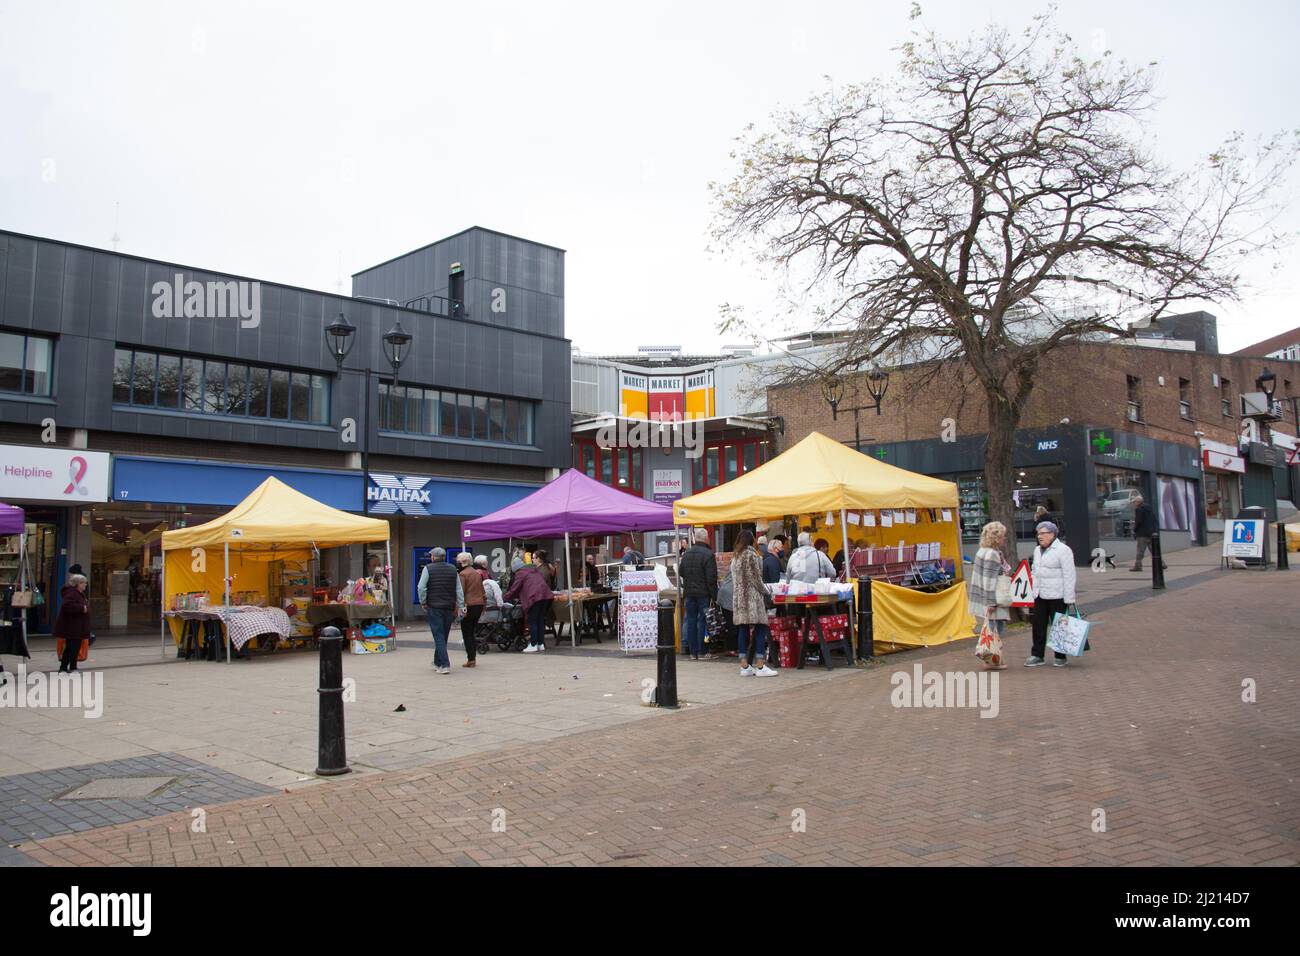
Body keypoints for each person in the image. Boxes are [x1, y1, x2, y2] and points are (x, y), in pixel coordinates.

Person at [1027, 522, 1076, 668]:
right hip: (1040, 594)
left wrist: (1069, 597)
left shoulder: (1063, 550)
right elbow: (1035, 571)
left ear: (1052, 534)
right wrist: (1033, 590)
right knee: (1038, 625)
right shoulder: (1037, 550)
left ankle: (1060, 656)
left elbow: (1069, 575)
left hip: (1057, 595)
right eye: (1038, 533)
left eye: (1042, 533)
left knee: (1059, 625)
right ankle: (1037, 655)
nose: (1039, 536)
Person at [730, 531, 777, 677]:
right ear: (751, 540)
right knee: (761, 628)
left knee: (743, 629)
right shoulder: (752, 555)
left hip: (739, 598)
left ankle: (744, 666)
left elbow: (735, 578)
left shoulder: (735, 556)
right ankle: (760, 665)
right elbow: (756, 579)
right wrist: (767, 591)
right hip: (752, 598)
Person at [969, 522, 1011, 671]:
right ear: (997, 538)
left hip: (983, 596)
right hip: (995, 597)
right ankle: (992, 659)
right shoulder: (993, 554)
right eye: (1003, 536)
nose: (1005, 538)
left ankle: (993, 659)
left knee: (992, 629)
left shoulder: (982, 551)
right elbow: (989, 580)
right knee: (995, 630)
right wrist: (991, 602)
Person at [418, 549, 463, 675]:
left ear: (433, 557)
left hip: (434, 606)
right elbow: (458, 589)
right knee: (443, 635)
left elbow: (421, 587)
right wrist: (460, 604)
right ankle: (437, 661)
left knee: (438, 635)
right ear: (443, 557)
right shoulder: (453, 569)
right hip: (449, 606)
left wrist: (423, 601)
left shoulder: (428, 568)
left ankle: (445, 664)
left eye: (431, 555)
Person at [678, 528, 718, 661]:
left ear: (695, 538)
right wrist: (714, 595)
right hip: (703, 593)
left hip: (689, 593)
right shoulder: (708, 554)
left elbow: (681, 572)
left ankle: (692, 652)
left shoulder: (687, 553)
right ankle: (702, 651)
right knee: (703, 621)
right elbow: (711, 578)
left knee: (691, 621)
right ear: (706, 538)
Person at [505, 549, 554, 653]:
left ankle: (533, 644)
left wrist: (504, 598)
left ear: (516, 569)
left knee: (532, 621)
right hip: (545, 596)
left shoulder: (520, 573)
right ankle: (540, 644)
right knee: (540, 620)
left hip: (534, 598)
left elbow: (514, 589)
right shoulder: (533, 570)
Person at [54, 572, 91, 673]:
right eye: (84, 583)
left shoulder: (78, 593)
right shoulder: (72, 593)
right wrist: (81, 608)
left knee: (73, 647)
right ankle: (68, 667)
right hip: (72, 626)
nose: (86, 585)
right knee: (72, 648)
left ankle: (68, 667)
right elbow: (67, 606)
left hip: (76, 626)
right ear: (78, 583)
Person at [455, 552, 485, 668]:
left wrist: (458, 608)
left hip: (468, 606)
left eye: (458, 561)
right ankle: (473, 657)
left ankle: (471, 659)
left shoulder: (462, 574)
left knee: (466, 633)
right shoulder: (477, 573)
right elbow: (482, 590)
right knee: (472, 631)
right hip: (478, 605)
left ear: (462, 562)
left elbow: (460, 592)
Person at [1130, 495, 1166, 572]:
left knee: (1140, 551)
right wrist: (1154, 530)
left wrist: (1135, 530)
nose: (1134, 504)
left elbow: (1138, 521)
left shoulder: (1139, 509)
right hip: (1151, 533)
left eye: (1134, 502)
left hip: (1142, 533)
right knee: (1154, 550)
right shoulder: (1149, 509)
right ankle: (1162, 564)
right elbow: (1154, 520)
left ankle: (1138, 566)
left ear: (1138, 502)